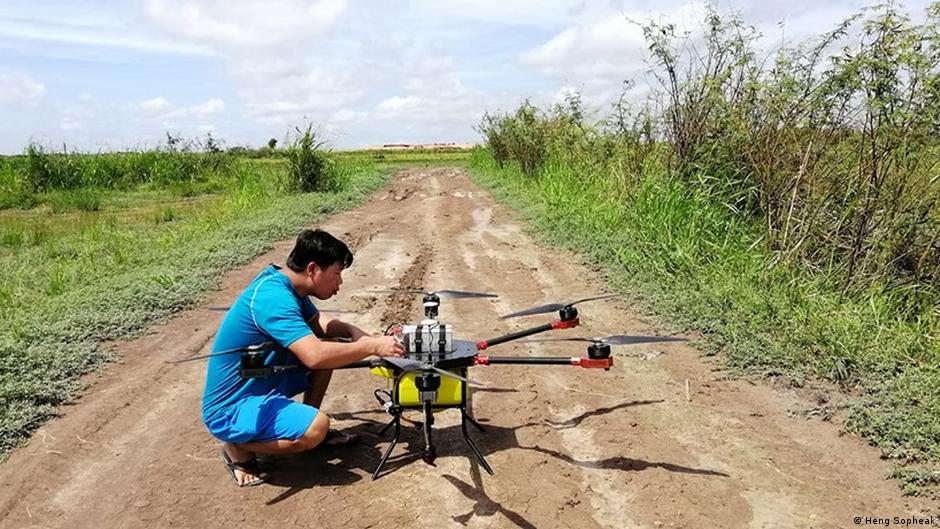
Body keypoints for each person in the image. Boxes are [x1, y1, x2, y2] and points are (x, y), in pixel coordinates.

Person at [201, 228, 404, 487]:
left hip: (259, 385)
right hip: (231, 407)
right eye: (337, 273)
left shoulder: (285, 285)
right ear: (312, 269)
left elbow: (317, 321)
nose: (339, 282)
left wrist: (353, 332)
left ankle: (300, 421)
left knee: (331, 345)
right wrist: (372, 347)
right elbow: (314, 356)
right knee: (316, 428)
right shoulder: (273, 297)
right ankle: (237, 446)